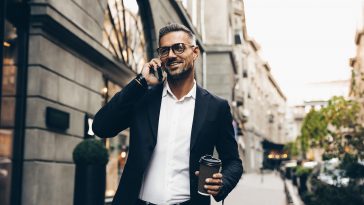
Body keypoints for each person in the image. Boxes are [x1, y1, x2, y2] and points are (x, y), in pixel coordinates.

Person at [93, 23, 243, 205]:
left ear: (195, 53)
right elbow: (101, 127)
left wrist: (222, 183)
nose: (171, 55)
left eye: (178, 48)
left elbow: (233, 162)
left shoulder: (216, 107)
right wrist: (139, 82)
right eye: (164, 51)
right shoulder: (143, 98)